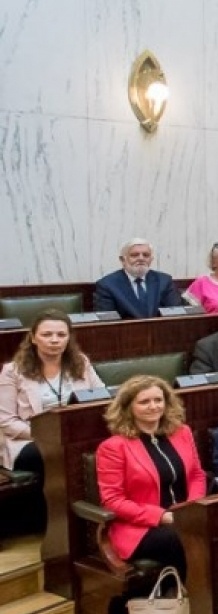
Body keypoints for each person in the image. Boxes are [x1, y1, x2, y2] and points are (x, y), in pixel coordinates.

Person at [95, 375, 206, 576]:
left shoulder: (182, 432)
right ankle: (191, 591)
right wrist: (162, 516)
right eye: (144, 402)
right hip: (141, 527)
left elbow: (197, 475)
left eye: (158, 400)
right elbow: (112, 501)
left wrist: (191, 510)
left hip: (186, 515)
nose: (153, 406)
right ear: (128, 407)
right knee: (183, 539)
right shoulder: (113, 447)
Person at [0, 311, 104, 486]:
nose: (54, 340)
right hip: (28, 440)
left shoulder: (81, 362)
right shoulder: (12, 371)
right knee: (57, 454)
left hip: (76, 436)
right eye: (47, 334)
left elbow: (101, 396)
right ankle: (56, 503)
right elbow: (6, 421)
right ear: (33, 338)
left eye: (61, 335)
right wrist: (50, 435)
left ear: (69, 338)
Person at [92, 238, 182, 318]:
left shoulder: (164, 281)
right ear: (122, 260)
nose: (141, 258)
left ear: (151, 259)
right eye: (134, 255)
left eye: (146, 255)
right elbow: (107, 322)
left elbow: (176, 314)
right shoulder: (107, 285)